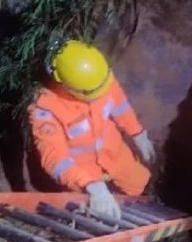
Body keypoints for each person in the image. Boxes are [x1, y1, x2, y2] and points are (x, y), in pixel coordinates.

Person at [28, 40, 155, 221]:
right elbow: (55, 159)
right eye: (92, 93)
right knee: (98, 219)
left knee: (141, 187)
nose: (102, 93)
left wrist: (138, 133)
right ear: (66, 86)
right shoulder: (45, 110)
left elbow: (120, 106)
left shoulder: (99, 77)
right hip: (83, 175)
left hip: (116, 157)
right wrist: (92, 186)